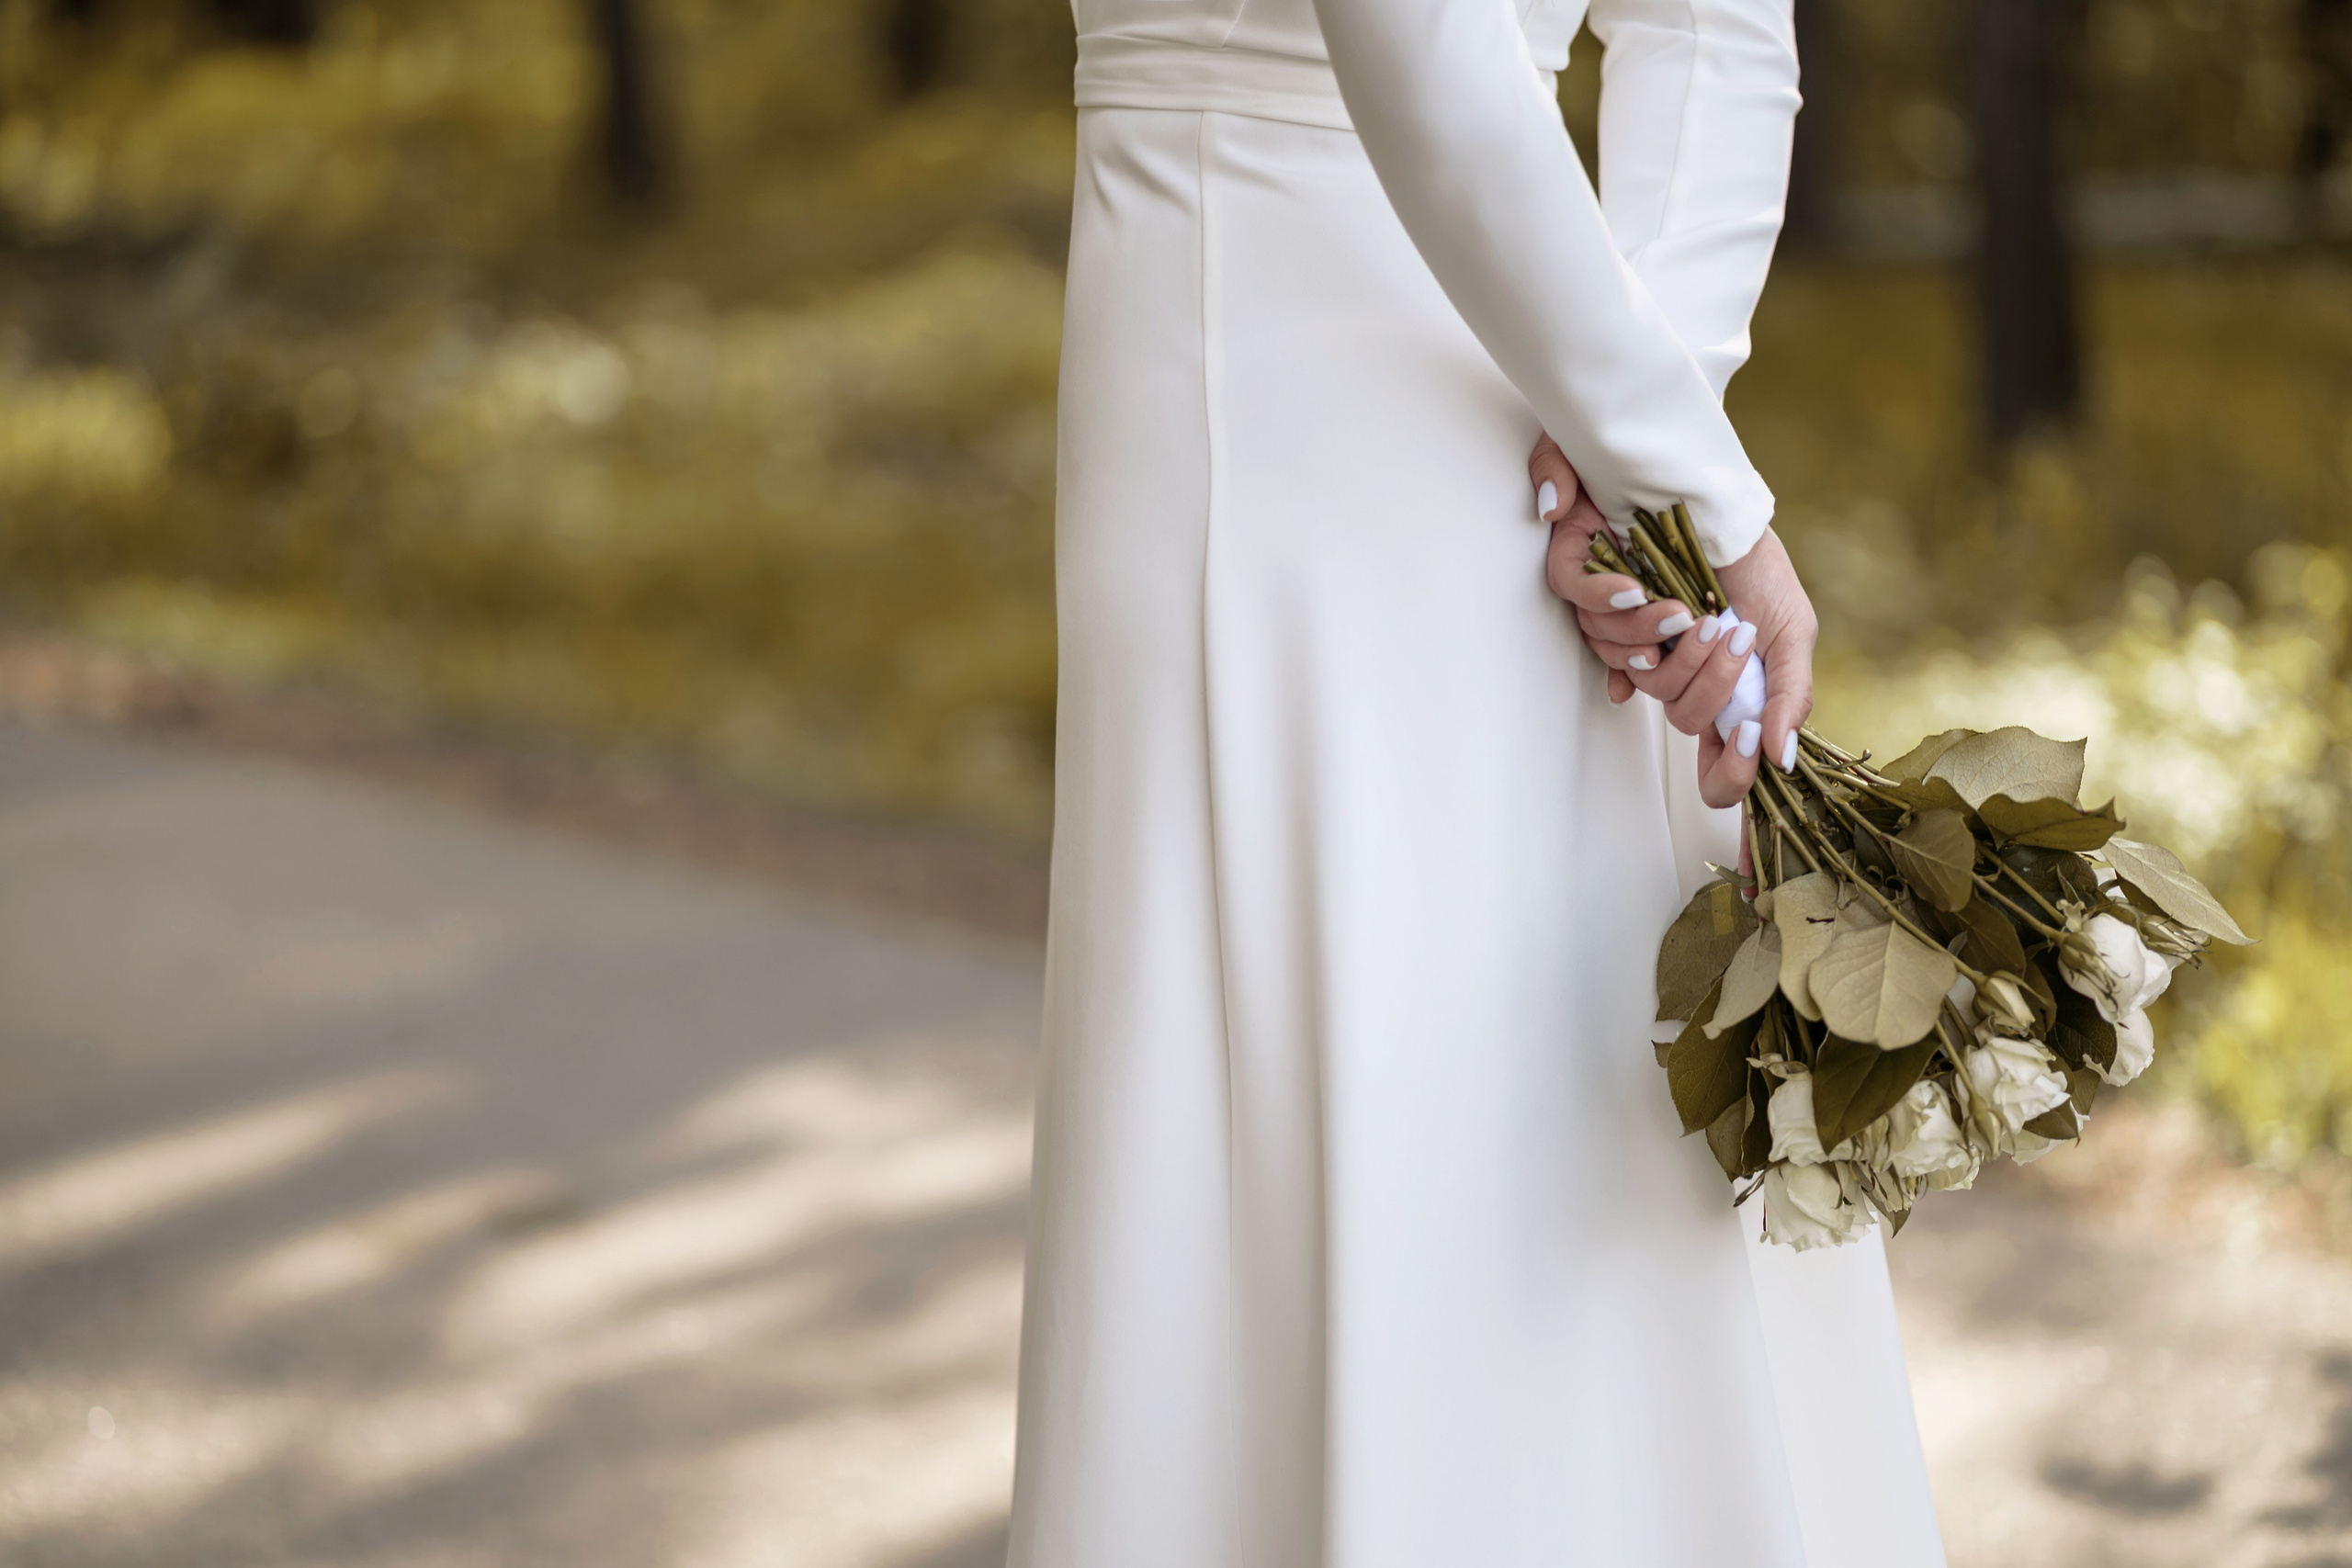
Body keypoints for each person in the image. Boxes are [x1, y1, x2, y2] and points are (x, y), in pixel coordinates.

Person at [1009, 0, 1948, 1562]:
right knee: (1333, 1087)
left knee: (1552, 1080)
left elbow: (1713, 24)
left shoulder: (1621, 420)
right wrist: (1673, 472)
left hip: (1539, 360)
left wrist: (1646, 424)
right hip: (1267, 370)